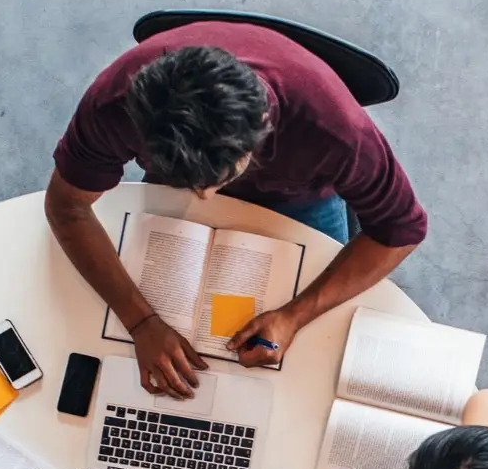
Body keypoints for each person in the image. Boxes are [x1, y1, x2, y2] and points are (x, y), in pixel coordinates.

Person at [46, 22, 428, 399]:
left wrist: (295, 315)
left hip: (302, 196)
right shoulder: (115, 102)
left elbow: (401, 230)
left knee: (312, 355)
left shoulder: (335, 131)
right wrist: (141, 321)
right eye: (192, 185)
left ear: (263, 129)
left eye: (217, 179)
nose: (205, 199)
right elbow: (67, 207)